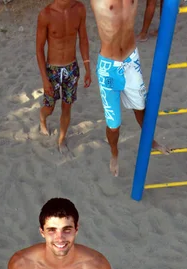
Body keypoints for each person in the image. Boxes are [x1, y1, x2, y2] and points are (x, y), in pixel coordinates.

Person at [90, 0, 169, 176]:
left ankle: (151, 141)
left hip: (131, 60)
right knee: (114, 124)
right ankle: (114, 154)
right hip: (108, 68)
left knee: (141, 108)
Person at [36, 0, 91, 153]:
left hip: (71, 68)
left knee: (67, 107)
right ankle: (42, 119)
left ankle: (61, 139)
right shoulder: (46, 14)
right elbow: (39, 49)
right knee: (49, 107)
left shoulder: (79, 9)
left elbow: (83, 39)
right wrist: (44, 79)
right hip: (52, 70)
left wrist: (87, 67)